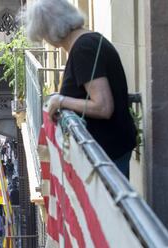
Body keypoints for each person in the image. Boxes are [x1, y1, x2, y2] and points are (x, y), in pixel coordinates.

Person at [25, 0, 137, 179]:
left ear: (51, 30)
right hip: (110, 151)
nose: (45, 39)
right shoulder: (89, 40)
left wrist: (60, 101)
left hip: (106, 156)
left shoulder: (83, 49)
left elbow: (103, 107)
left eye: (43, 34)